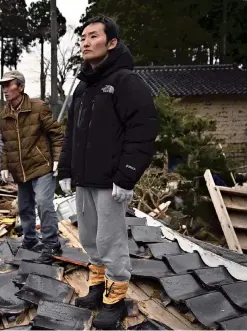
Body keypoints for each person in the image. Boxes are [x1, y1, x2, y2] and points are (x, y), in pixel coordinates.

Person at [57, 16, 158, 329]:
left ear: (111, 43)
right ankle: (98, 289)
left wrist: (127, 174)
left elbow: (142, 130)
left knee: (111, 242)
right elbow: (71, 134)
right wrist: (65, 168)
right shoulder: (84, 88)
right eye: (83, 37)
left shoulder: (126, 82)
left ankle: (115, 300)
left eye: (93, 36)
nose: (85, 42)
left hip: (111, 182)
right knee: (89, 238)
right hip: (86, 180)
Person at [0, 70, 64, 264]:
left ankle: (51, 244)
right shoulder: (4, 115)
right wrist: (4, 166)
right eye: (3, 86)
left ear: (21, 87)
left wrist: (58, 159)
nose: (5, 90)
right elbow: (6, 144)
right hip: (20, 169)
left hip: (42, 165)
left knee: (43, 202)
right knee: (25, 207)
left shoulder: (38, 108)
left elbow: (57, 134)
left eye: (9, 85)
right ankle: (30, 240)